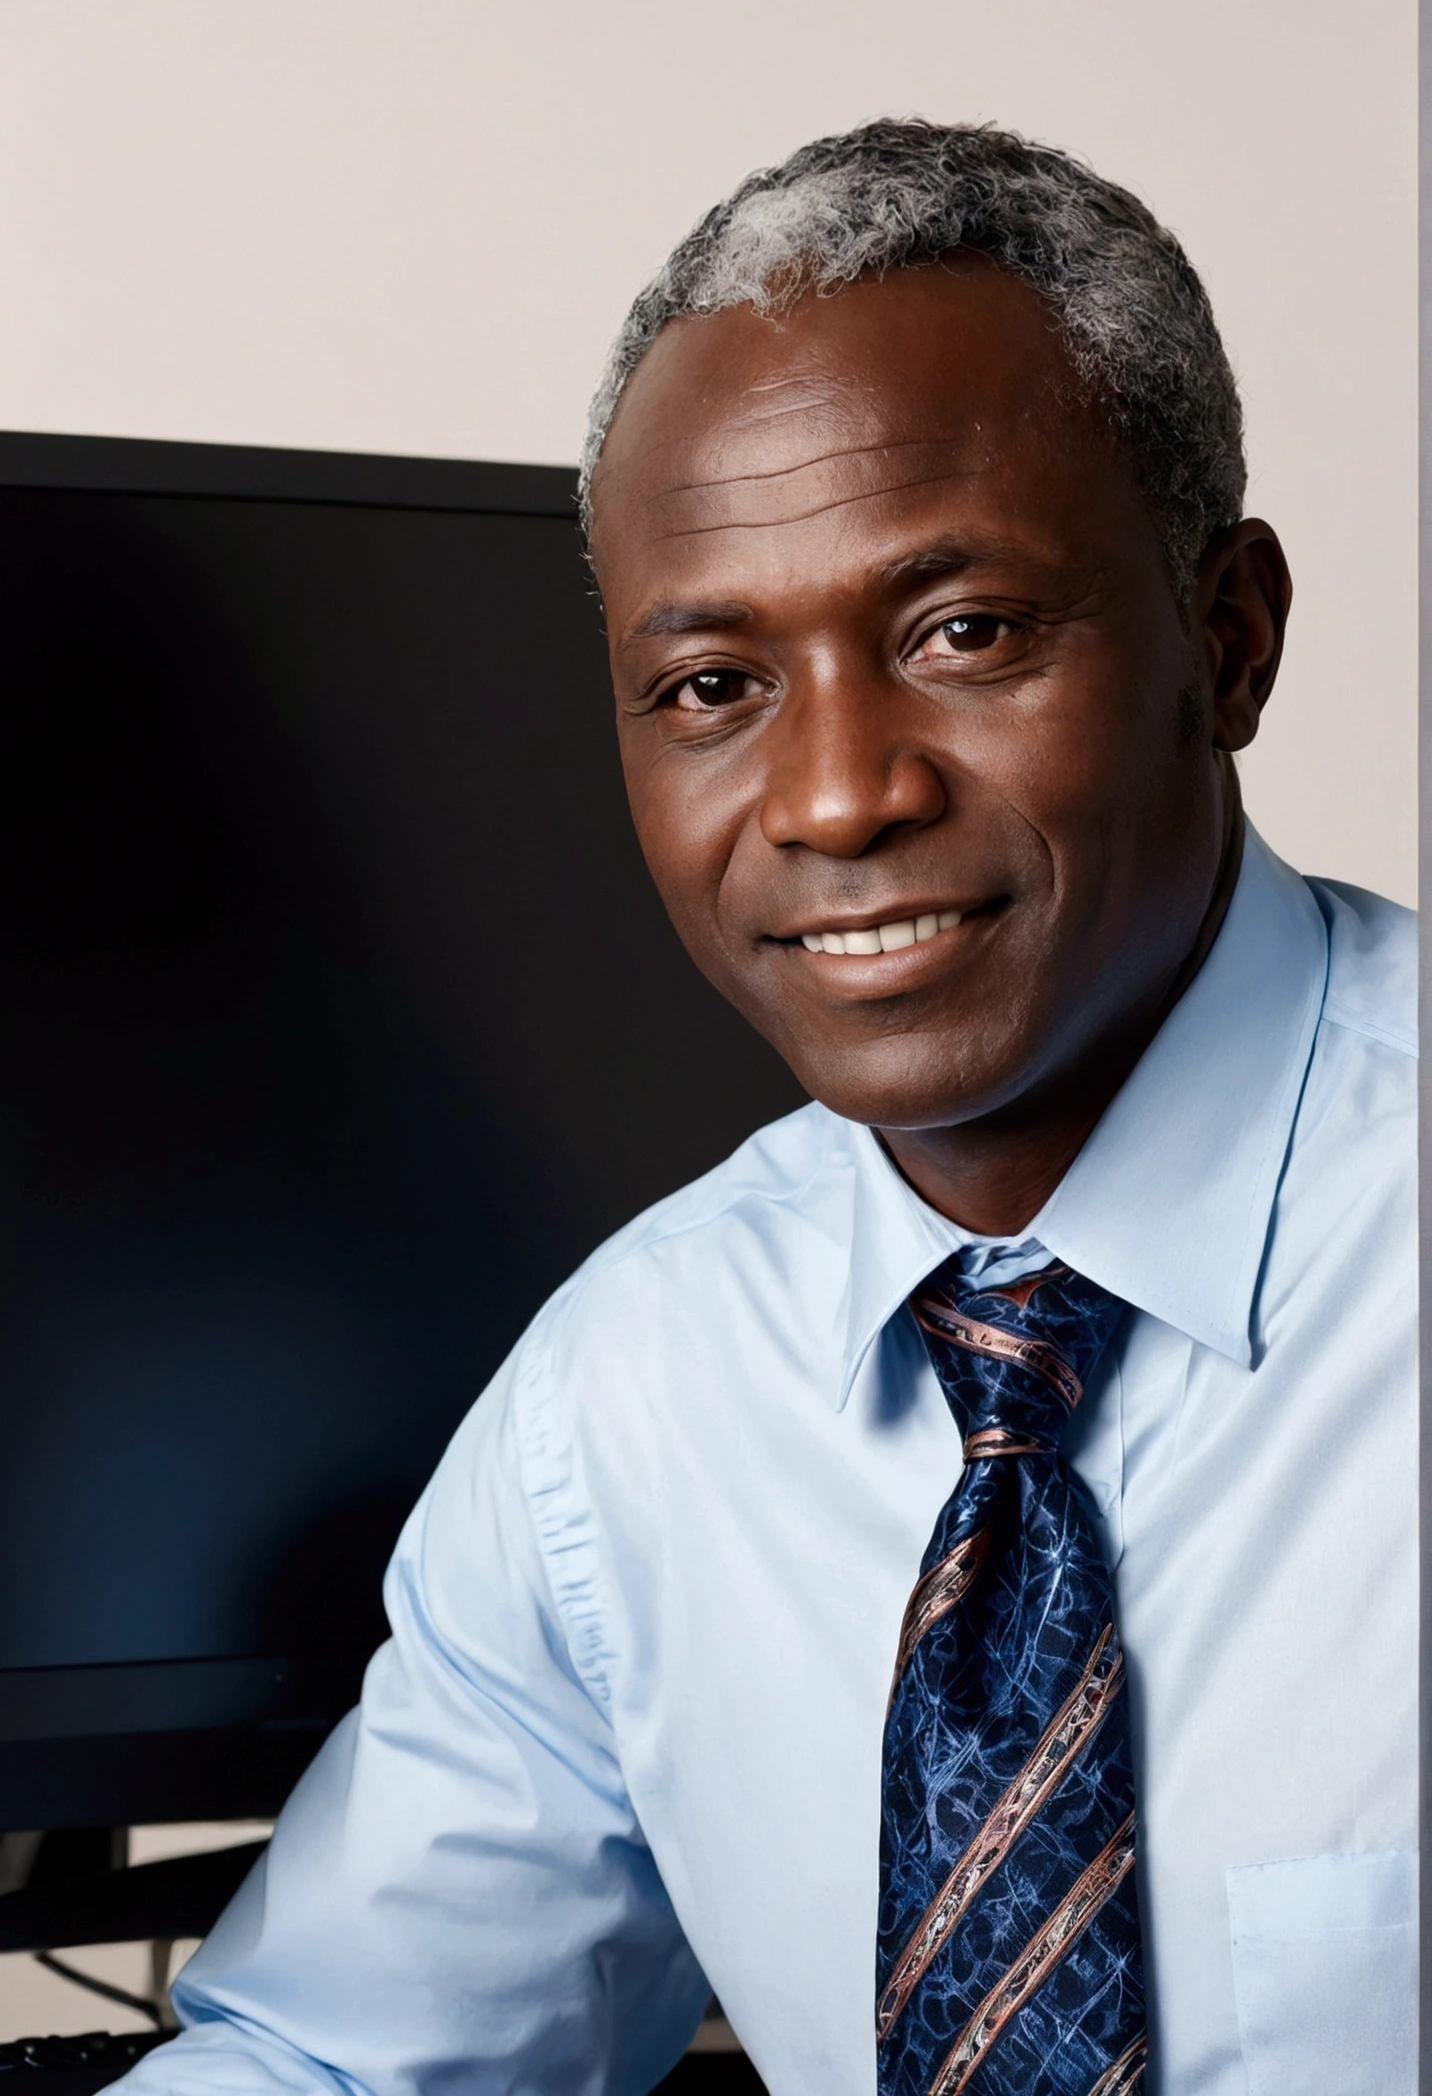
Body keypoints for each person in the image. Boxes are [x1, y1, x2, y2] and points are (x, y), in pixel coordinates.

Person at [119, 122, 1415, 2096]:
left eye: (957, 631)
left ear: (1221, 640)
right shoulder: (629, 1408)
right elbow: (342, 2056)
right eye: (712, 684)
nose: (828, 797)